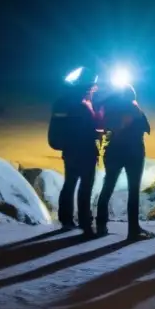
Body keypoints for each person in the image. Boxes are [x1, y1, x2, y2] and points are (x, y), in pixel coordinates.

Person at [47, 67, 102, 237]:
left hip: (69, 150)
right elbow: (91, 129)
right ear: (88, 87)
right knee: (86, 187)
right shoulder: (84, 106)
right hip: (85, 150)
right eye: (93, 87)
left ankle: (66, 220)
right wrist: (102, 130)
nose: (95, 89)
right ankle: (86, 224)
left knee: (69, 183)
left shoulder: (63, 101)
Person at [96, 83, 153, 239]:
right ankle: (133, 229)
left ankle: (100, 225)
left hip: (114, 151)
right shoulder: (136, 110)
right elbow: (147, 128)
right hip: (134, 153)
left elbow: (105, 127)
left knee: (107, 187)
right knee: (133, 191)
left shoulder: (111, 111)